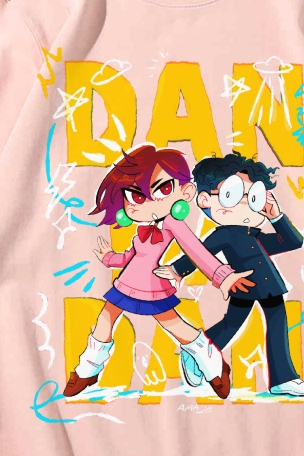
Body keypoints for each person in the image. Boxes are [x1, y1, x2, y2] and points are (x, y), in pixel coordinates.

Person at [63, 144, 255, 400]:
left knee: (176, 326)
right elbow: (130, 257)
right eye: (136, 196)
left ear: (184, 192)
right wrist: (108, 258)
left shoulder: (172, 223)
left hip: (151, 287)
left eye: (163, 190)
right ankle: (87, 370)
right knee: (106, 318)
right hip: (126, 283)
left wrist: (222, 275)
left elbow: (196, 250)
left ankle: (215, 367)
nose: (148, 202)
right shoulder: (142, 229)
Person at [157, 152, 304, 397]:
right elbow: (201, 254)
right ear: (205, 200)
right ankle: (197, 352)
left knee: (272, 324)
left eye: (252, 197)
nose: (244, 204)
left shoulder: (255, 234)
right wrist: (177, 270)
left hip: (271, 287)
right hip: (243, 286)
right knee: (232, 325)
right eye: (232, 194)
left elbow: (293, 242)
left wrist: (276, 216)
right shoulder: (224, 234)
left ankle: (283, 379)